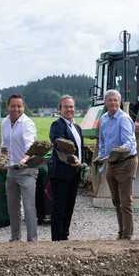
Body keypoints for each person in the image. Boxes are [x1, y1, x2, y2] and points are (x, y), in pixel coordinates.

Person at [97, 89, 138, 240]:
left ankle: (127, 235)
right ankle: (121, 231)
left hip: (126, 162)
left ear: (119, 102)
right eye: (110, 100)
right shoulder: (104, 119)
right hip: (111, 162)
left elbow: (130, 141)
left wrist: (121, 149)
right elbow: (102, 142)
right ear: (105, 102)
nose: (113, 103)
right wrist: (101, 158)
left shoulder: (124, 118)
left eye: (115, 100)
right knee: (116, 200)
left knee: (125, 201)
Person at [1, 94, 38, 242]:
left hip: (27, 170)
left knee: (29, 207)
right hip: (11, 170)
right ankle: (15, 239)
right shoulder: (4, 123)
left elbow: (31, 146)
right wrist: (0, 160)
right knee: (13, 207)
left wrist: (25, 158)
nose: (16, 109)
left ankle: (32, 241)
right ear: (7, 107)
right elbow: (4, 146)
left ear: (23, 107)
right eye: (13, 106)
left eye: (19, 106)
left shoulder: (27, 124)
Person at [48, 95, 84, 241]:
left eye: (71, 107)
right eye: (66, 107)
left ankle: (65, 236)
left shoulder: (77, 127)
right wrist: (72, 158)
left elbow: (81, 148)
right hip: (61, 174)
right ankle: (57, 240)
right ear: (60, 109)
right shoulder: (57, 125)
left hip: (74, 173)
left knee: (69, 207)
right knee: (59, 209)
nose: (69, 109)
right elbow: (58, 144)